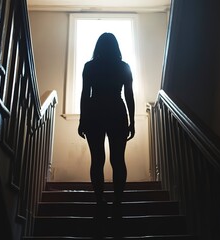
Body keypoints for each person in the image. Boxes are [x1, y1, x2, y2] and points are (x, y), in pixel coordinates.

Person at [77, 32, 135, 221]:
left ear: (98, 47)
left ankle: (100, 201)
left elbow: (85, 95)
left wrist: (82, 120)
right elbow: (129, 96)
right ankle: (117, 202)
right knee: (118, 160)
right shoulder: (123, 67)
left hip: (94, 113)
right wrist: (132, 121)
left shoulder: (90, 67)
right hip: (117, 112)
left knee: (97, 159)